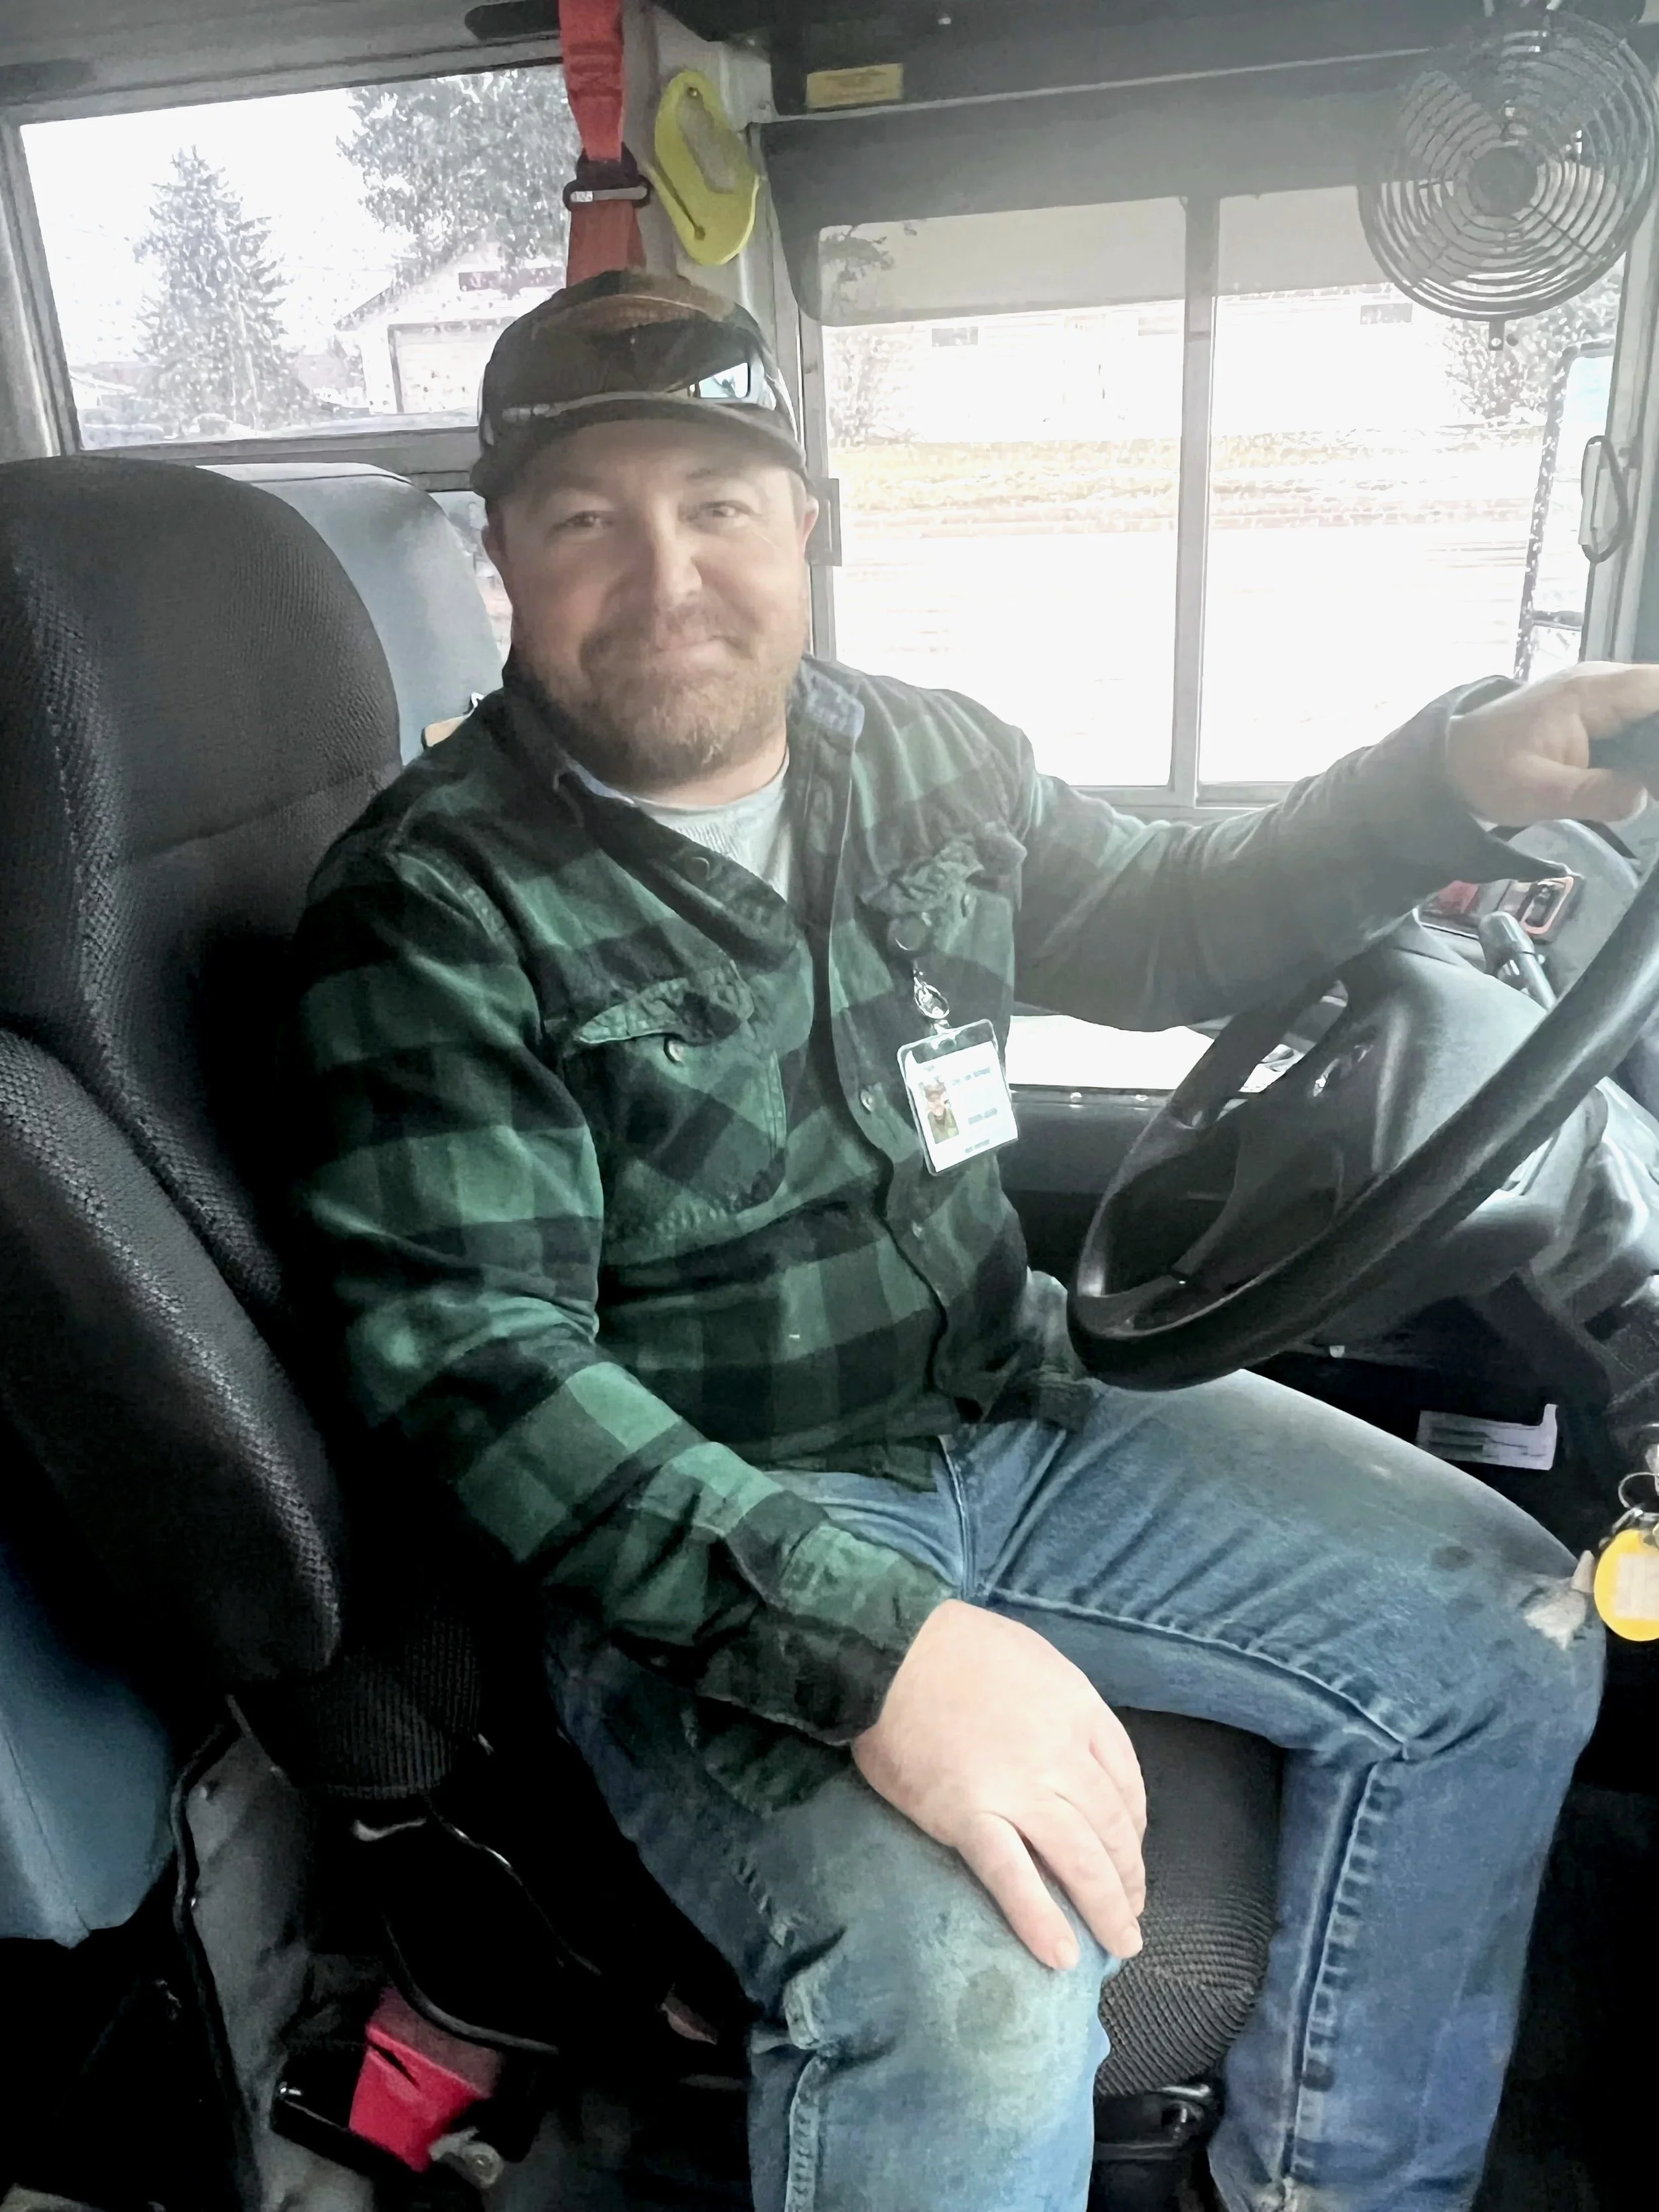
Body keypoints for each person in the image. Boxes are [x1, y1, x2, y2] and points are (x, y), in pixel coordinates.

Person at [290, 268, 1639, 2212]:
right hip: (712, 1537)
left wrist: (1445, 775)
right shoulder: (429, 905)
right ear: (503, 554)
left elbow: (1172, 917)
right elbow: (485, 1372)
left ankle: (1332, 2192)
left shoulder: (922, 755)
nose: (666, 574)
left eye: (718, 505)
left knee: (1507, 1632)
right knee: (983, 1978)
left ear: (805, 528)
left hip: (1017, 1397)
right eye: (588, 517)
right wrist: (886, 1650)